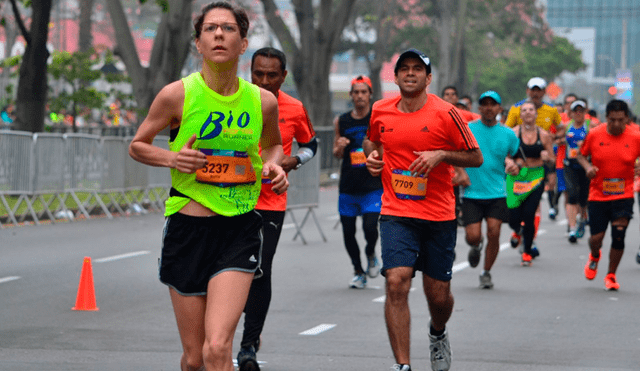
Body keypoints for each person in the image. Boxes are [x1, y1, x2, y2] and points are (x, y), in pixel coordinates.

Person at [128, 3, 288, 371]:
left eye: (229, 28)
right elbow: (138, 144)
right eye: (210, 28)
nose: (219, 34)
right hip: (188, 228)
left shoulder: (262, 101)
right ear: (197, 43)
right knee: (195, 357)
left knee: (217, 348)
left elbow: (273, 146)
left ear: (243, 42)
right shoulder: (177, 95)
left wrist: (275, 166)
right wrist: (172, 159)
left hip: (240, 229)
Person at [364, 48, 482, 371]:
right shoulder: (380, 109)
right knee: (396, 281)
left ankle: (438, 332)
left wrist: (441, 155)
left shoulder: (446, 113)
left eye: (418, 69)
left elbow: (475, 157)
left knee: (439, 297)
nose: (410, 73)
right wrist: (373, 157)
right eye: (404, 68)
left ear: (428, 78)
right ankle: (403, 365)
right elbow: (371, 142)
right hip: (396, 211)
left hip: (438, 215)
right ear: (396, 76)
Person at [236, 47, 317, 371]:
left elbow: (311, 144)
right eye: (258, 74)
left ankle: (247, 347)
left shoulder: (294, 108)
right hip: (228, 199)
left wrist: (295, 160)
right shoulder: (235, 100)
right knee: (228, 272)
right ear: (249, 72)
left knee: (258, 270)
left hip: (270, 202)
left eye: (272, 75)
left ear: (283, 76)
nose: (265, 80)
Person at [457, 91, 520, 288]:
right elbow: (456, 152)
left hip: (497, 192)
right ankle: (476, 246)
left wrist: (514, 165)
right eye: (484, 104)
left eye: (493, 104)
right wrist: (461, 172)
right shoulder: (468, 129)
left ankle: (486, 272)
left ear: (500, 109)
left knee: (494, 231)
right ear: (479, 108)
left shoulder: (509, 134)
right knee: (473, 235)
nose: (489, 108)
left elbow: (517, 158)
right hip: (472, 192)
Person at [577, 99, 640, 290]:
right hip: (598, 195)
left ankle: (611, 275)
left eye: (621, 120)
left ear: (627, 119)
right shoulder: (595, 134)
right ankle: (595, 255)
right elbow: (580, 154)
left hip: (624, 194)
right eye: (612, 120)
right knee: (596, 238)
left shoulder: (636, 136)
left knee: (619, 235)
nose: (617, 125)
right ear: (607, 118)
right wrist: (588, 167)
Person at [333, 75, 383, 289]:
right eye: (356, 92)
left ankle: (371, 252)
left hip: (372, 184)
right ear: (351, 95)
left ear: (370, 94)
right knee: (348, 231)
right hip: (349, 185)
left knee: (371, 227)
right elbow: (336, 153)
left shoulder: (377, 118)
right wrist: (340, 147)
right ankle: (357, 270)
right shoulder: (342, 121)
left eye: (364, 92)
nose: (360, 96)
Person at [505, 77, 562, 221]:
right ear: (527, 91)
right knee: (515, 204)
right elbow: (506, 131)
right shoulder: (517, 109)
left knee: (537, 199)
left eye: (539, 90)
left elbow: (562, 129)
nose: (535, 93)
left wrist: (552, 138)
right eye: (533, 90)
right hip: (521, 156)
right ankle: (518, 229)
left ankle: (550, 205)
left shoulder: (551, 110)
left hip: (542, 156)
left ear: (544, 92)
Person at [507, 101, 555, 266]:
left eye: (531, 110)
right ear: (520, 115)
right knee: (512, 215)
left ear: (536, 114)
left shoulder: (544, 135)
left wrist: (547, 158)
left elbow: (552, 159)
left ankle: (527, 251)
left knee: (529, 214)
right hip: (517, 177)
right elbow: (505, 155)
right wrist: (510, 163)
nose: (528, 112)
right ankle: (517, 230)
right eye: (524, 110)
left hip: (536, 177)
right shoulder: (513, 133)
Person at [563, 99, 591, 243]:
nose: (578, 113)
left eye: (581, 111)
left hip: (585, 166)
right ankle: (572, 228)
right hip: (570, 165)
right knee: (572, 195)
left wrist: (586, 144)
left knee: (584, 197)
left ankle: (582, 218)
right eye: (576, 111)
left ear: (585, 112)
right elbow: (555, 137)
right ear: (571, 113)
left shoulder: (590, 126)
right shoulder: (566, 126)